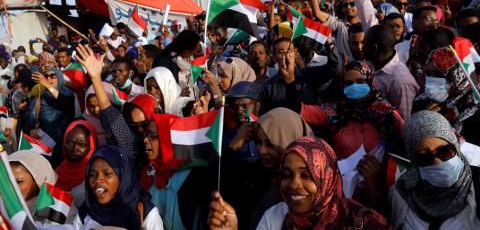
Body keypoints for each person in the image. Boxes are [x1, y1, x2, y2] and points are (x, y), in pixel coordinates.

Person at [209, 137, 390, 230]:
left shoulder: (365, 222)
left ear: (327, 178)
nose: (294, 184)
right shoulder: (276, 217)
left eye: (307, 175)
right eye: (287, 175)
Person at [391, 110, 480, 229]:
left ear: (456, 147)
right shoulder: (403, 190)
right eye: (424, 157)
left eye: (444, 152)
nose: (438, 162)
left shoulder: (476, 186)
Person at [140, 114, 210, 230]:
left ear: (168, 138)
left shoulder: (194, 175)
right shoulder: (149, 169)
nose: (145, 139)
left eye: (153, 135)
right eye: (147, 133)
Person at [74, 145, 164, 229]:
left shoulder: (147, 214)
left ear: (123, 177)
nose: (98, 180)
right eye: (92, 175)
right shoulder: (87, 210)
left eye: (107, 174)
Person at [20, 68, 76, 167]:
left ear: (60, 78)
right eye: (46, 76)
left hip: (63, 146)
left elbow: (66, 104)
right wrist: (31, 130)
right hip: (43, 146)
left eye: (53, 76)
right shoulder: (40, 96)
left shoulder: (68, 95)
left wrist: (46, 85)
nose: (48, 79)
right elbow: (29, 120)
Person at [365, 25, 419, 118]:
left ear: (374, 47)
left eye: (365, 43)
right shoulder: (373, 64)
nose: (362, 47)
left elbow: (404, 121)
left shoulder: (401, 81)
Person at [9, 150, 57, 216]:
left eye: (18, 181)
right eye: (6, 180)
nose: (10, 187)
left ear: (38, 180)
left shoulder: (54, 215)